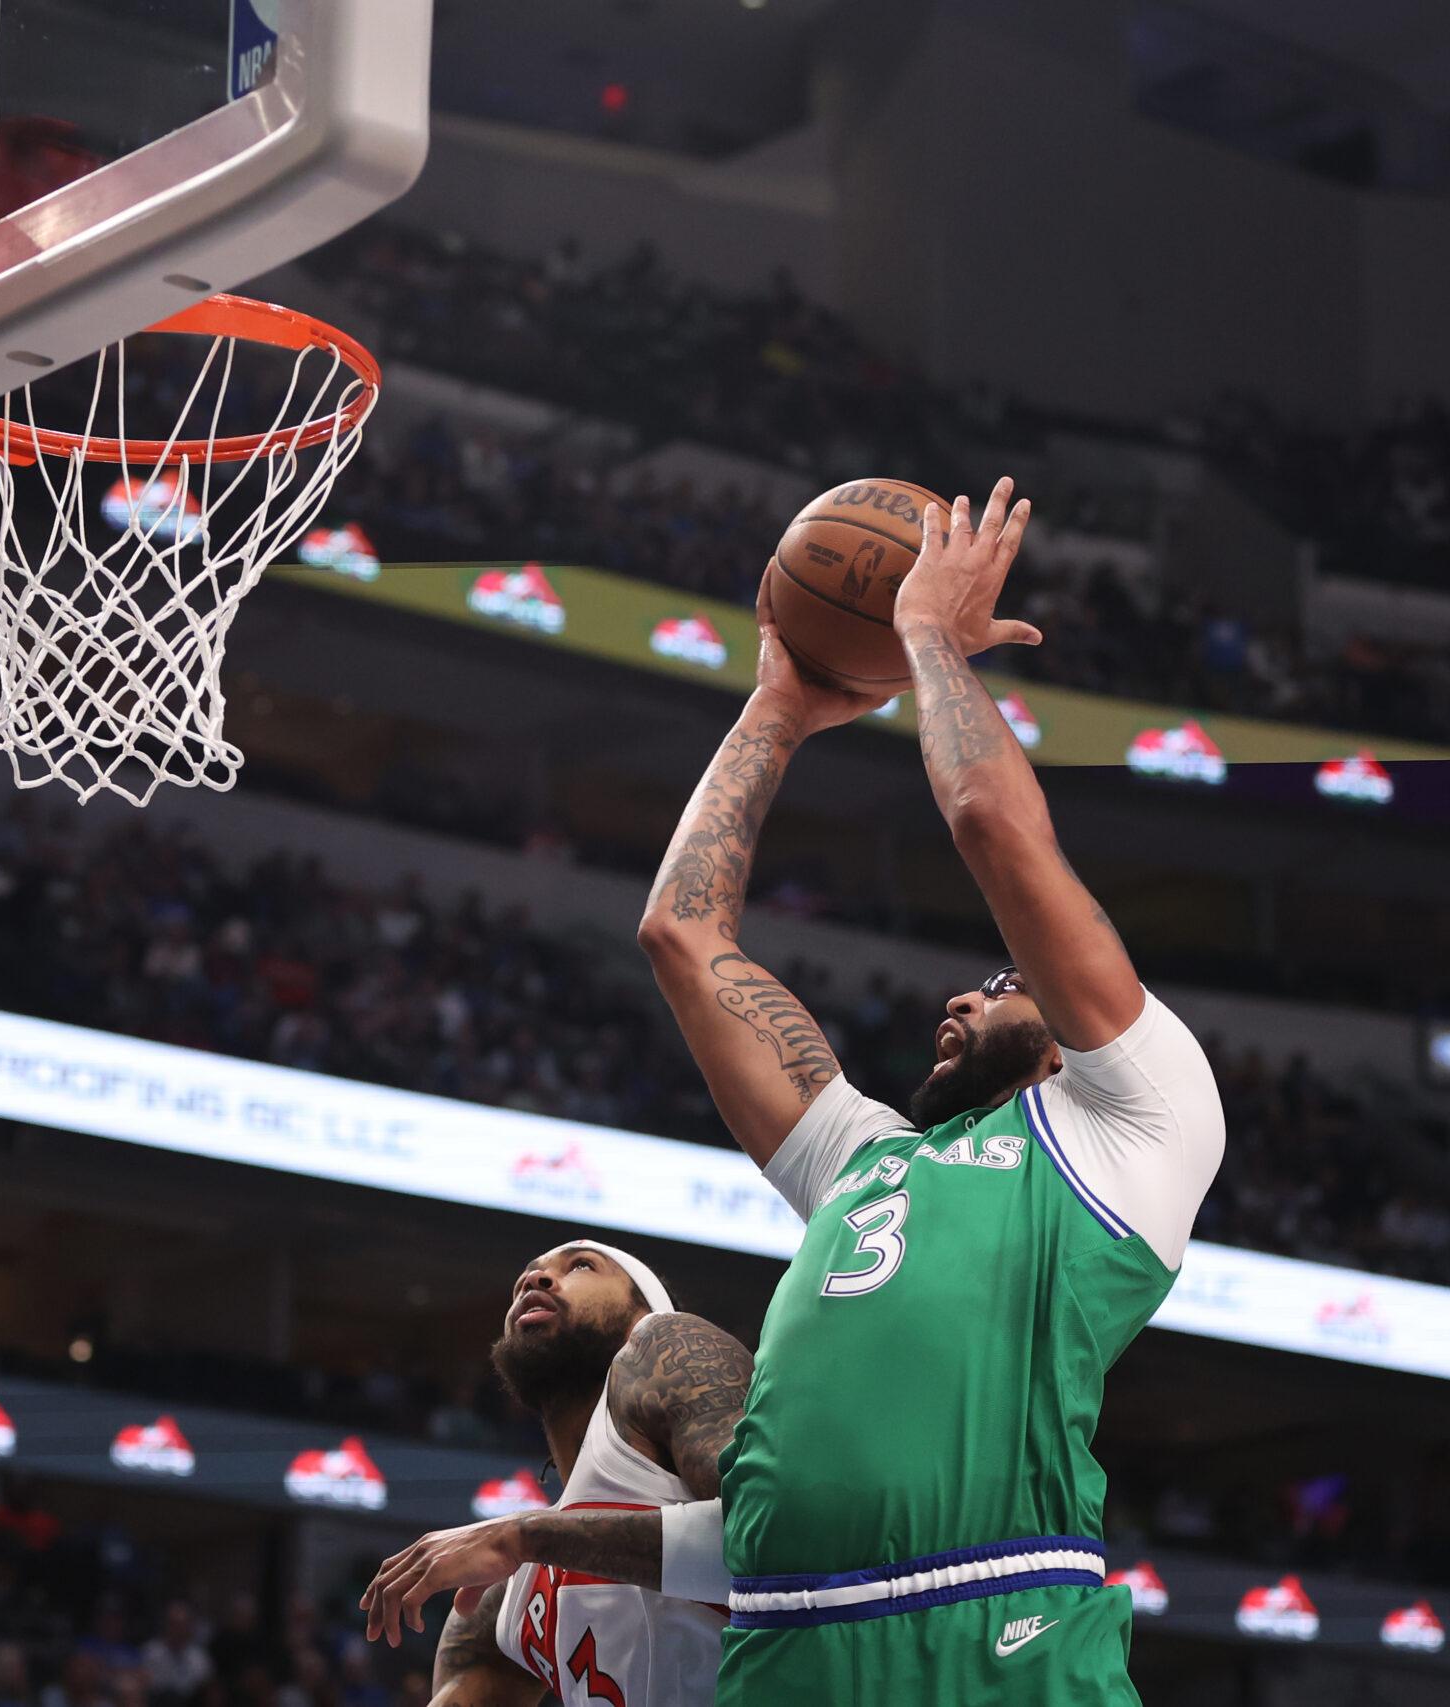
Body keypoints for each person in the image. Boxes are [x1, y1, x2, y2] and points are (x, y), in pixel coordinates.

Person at [363, 481, 1224, 1704]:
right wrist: (775, 709)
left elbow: (992, 822)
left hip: (991, 1625)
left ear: (1065, 1042)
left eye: (1000, 985)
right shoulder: (864, 1158)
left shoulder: (1138, 1120)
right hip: (787, 1650)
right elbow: (680, 935)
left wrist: (924, 634)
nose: (963, 995)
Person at [359, 1241, 752, 1705]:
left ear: (644, 1311)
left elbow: (776, 1532)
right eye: (526, 1276)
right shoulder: (509, 1597)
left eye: (581, 1266)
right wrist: (526, 1540)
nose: (534, 1279)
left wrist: (523, 1536)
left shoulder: (668, 1342)